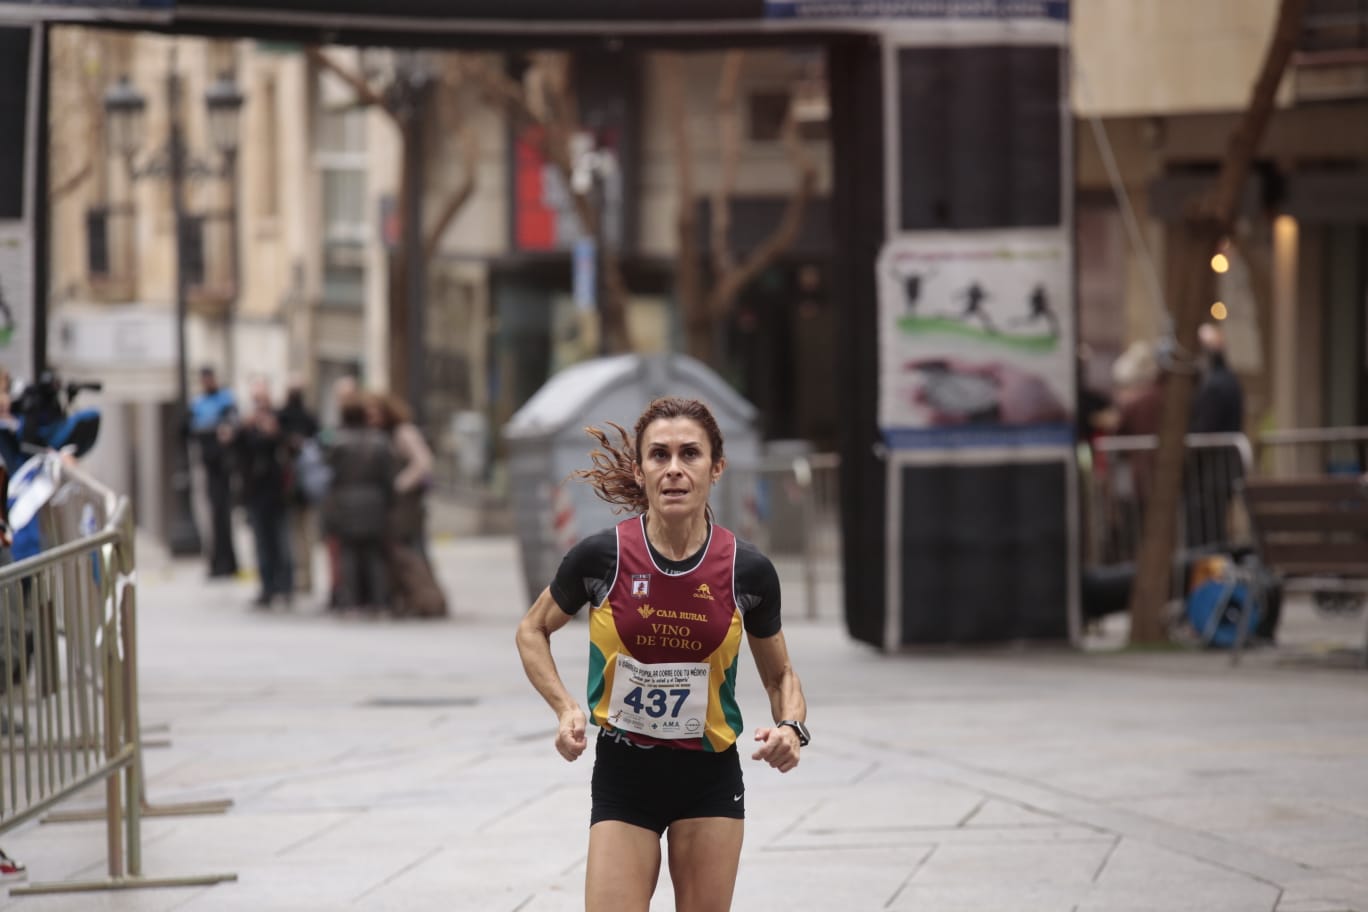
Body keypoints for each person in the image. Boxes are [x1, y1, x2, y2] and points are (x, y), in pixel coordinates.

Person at [515, 396, 808, 912]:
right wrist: (565, 708)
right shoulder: (601, 557)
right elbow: (533, 629)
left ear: (716, 468)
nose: (674, 469)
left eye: (690, 454)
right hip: (626, 774)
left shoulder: (748, 571)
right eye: (659, 455)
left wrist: (791, 728)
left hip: (709, 776)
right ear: (641, 468)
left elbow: (780, 672)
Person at [322, 392, 395, 613]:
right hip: (374, 502)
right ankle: (378, 599)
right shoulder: (380, 441)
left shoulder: (337, 443)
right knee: (374, 554)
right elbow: (388, 477)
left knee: (349, 553)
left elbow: (329, 476)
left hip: (346, 502)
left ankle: (352, 599)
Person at [1186, 322, 1245, 548]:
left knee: (1207, 534)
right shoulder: (1229, 380)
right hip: (1223, 469)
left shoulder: (1215, 386)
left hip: (1212, 472)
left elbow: (1204, 429)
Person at [236, 381, 294, 608]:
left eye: (262, 401)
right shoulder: (247, 428)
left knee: (282, 541)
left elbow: (294, 445)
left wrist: (276, 433)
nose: (259, 407)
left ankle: (286, 586)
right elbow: (237, 453)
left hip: (279, 493)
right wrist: (244, 429)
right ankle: (267, 587)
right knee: (261, 542)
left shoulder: (281, 421)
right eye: (255, 401)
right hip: (256, 494)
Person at [189, 367, 239, 578]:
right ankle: (217, 560)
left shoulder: (225, 400)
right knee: (213, 514)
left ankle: (227, 562)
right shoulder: (199, 403)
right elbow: (188, 428)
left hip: (224, 465)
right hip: (209, 464)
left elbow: (232, 426)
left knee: (223, 514)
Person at [278, 377, 321, 596]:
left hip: (302, 487)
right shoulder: (288, 418)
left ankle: (305, 576)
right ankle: (302, 576)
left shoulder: (302, 418)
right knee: (300, 534)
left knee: (302, 534)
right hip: (294, 487)